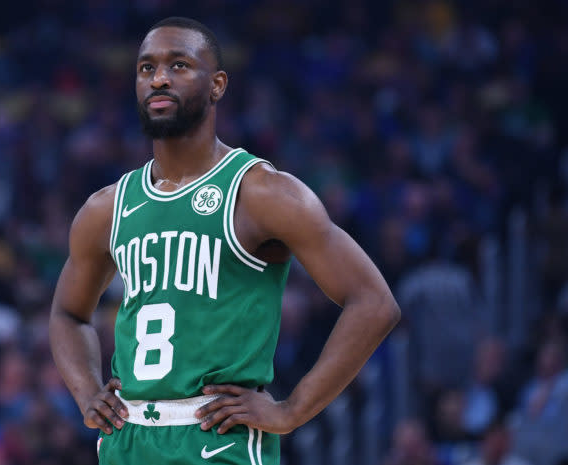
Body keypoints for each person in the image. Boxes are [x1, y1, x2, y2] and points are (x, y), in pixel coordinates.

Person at [49, 16, 400, 465]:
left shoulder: (264, 192)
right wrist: (86, 393)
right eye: (146, 68)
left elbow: (374, 303)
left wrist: (291, 410)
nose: (158, 78)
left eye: (178, 66)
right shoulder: (106, 207)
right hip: (128, 439)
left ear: (216, 85)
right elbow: (67, 313)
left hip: (218, 440)